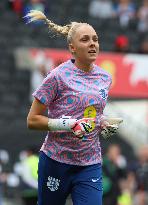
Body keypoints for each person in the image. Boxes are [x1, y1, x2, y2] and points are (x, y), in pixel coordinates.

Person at [25, 10, 123, 205]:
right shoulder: (57, 77)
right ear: (72, 48)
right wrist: (69, 124)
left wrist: (102, 123)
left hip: (89, 164)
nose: (92, 43)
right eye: (85, 40)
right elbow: (32, 120)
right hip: (55, 162)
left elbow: (93, 114)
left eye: (95, 39)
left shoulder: (105, 78)